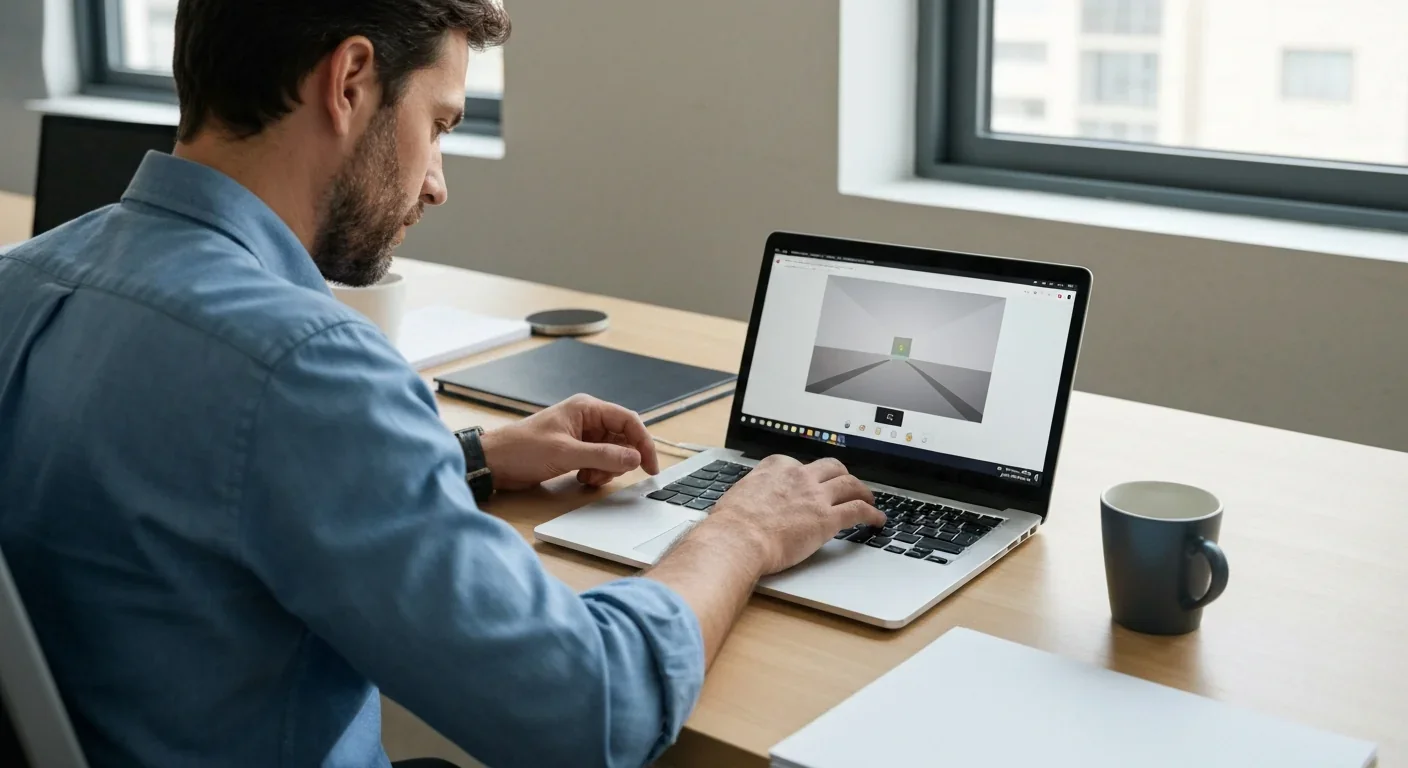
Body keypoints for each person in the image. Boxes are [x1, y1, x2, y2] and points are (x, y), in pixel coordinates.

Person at [0, 1, 886, 767]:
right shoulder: (306, 364)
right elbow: (590, 717)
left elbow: (189, 488)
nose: (436, 183)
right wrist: (740, 531)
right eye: (441, 124)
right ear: (349, 81)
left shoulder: (22, 279)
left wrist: (466, 457)